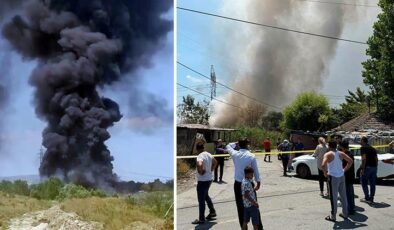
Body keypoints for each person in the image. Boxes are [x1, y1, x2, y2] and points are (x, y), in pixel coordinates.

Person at [226, 138, 263, 229]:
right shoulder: (251, 156)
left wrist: (235, 143)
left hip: (238, 184)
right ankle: (259, 227)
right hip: (249, 184)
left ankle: (243, 227)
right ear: (247, 145)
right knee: (254, 206)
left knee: (241, 208)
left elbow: (228, 146)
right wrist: (258, 183)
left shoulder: (235, 154)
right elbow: (255, 171)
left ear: (239, 145)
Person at [322, 141, 353, 222]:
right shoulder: (341, 153)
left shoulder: (328, 154)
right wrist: (343, 170)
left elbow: (323, 165)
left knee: (333, 197)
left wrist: (325, 173)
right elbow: (350, 161)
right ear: (336, 146)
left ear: (329, 146)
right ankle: (345, 214)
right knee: (343, 196)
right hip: (341, 176)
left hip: (333, 177)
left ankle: (333, 216)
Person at [192, 142, 218, 224]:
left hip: (202, 181)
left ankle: (201, 219)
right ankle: (212, 211)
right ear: (203, 147)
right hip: (209, 179)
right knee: (206, 196)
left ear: (197, 149)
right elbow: (215, 162)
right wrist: (211, 169)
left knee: (201, 200)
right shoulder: (208, 154)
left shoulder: (200, 156)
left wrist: (201, 171)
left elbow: (200, 163)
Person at [338, 140, 355, 215]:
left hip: (347, 176)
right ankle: (351, 208)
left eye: (339, 145)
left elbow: (349, 163)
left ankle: (349, 210)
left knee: (347, 194)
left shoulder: (345, 155)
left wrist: (343, 171)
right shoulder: (349, 153)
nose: (338, 147)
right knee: (350, 193)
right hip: (350, 176)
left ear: (342, 146)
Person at [360, 136, 378, 203]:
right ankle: (371, 198)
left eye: (360, 140)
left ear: (363, 141)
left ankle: (367, 198)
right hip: (374, 167)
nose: (360, 142)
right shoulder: (373, 148)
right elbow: (376, 159)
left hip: (367, 167)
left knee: (364, 182)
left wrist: (362, 169)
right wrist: (376, 167)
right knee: (372, 183)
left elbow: (363, 159)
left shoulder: (363, 148)